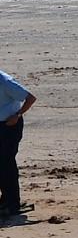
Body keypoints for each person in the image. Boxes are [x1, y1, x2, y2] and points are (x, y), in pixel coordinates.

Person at [0, 68, 34, 225]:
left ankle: (12, 203)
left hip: (9, 126)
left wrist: (18, 115)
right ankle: (6, 200)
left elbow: (30, 98)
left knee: (6, 163)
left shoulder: (5, 81)